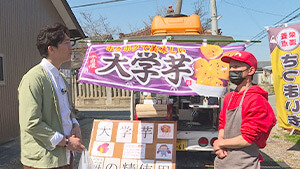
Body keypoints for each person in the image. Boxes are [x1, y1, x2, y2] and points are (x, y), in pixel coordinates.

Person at [18, 23, 85, 169]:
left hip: (65, 156)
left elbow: (67, 109)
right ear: (51, 49)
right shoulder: (33, 78)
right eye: (66, 43)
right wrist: (66, 142)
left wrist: (75, 124)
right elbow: (31, 122)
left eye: (70, 43)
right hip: (44, 161)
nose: (71, 48)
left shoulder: (60, 76)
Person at [213, 51, 276, 169]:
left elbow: (248, 138)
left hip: (244, 163)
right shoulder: (229, 97)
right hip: (222, 161)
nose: (232, 70)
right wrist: (219, 145)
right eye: (230, 67)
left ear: (251, 71)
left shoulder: (256, 99)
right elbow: (223, 124)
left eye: (236, 67)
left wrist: (220, 143)